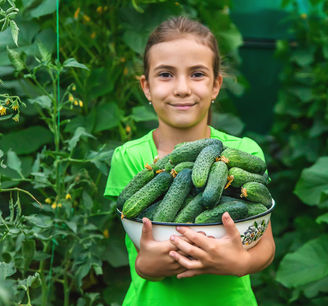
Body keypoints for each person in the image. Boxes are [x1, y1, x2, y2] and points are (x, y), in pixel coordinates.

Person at [104, 16, 275, 305]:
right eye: (166, 74)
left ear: (216, 85)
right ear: (146, 87)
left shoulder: (244, 153)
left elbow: (265, 246)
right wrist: (151, 265)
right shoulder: (131, 158)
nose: (182, 88)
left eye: (197, 74)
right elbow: (142, 260)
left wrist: (240, 263)